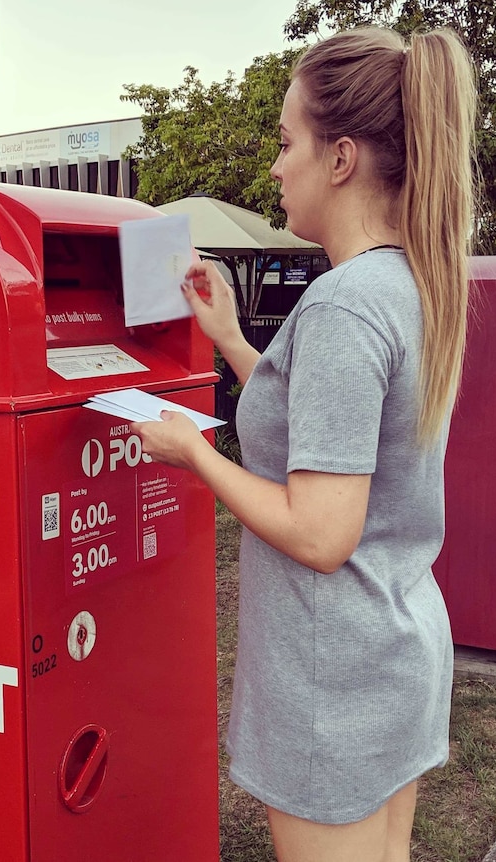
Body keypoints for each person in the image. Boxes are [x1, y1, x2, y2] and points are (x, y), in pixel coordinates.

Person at [131, 25, 477, 862]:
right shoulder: (410, 283)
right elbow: (333, 433)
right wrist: (233, 343)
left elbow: (322, 533)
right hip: (396, 650)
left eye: (288, 142)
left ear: (343, 158)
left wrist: (195, 455)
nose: (276, 166)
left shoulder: (340, 308)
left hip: (337, 677)